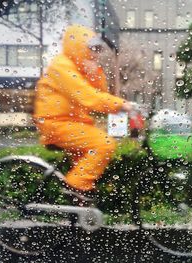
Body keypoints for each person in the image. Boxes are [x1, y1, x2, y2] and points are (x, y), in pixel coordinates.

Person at [33, 25, 132, 198]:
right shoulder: (62, 66)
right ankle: (75, 187)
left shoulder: (80, 67)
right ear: (79, 47)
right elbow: (86, 96)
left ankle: (80, 206)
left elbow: (100, 92)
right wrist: (120, 105)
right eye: (92, 48)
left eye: (98, 49)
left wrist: (94, 73)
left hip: (74, 123)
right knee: (103, 144)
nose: (96, 54)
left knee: (87, 162)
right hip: (56, 124)